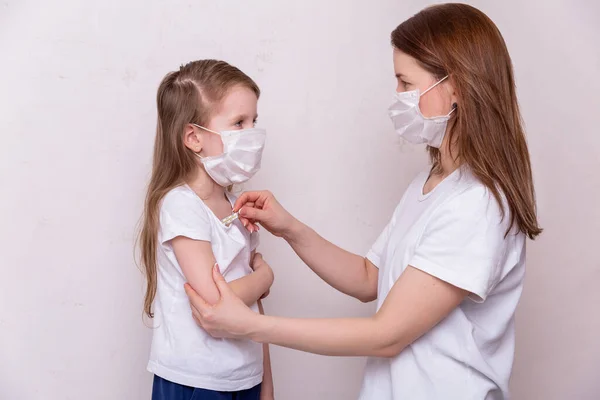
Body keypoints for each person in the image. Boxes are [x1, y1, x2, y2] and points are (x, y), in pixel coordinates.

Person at [185, 3, 543, 399]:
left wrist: (249, 326)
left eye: (406, 82)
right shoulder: (432, 182)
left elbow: (386, 335)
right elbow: (369, 278)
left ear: (454, 86)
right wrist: (290, 228)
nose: (398, 95)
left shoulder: (477, 204)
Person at [138, 59, 275, 400]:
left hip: (244, 377)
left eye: (254, 120)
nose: (252, 134)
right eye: (238, 123)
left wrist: (266, 384)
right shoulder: (181, 206)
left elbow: (254, 313)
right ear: (194, 137)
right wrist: (264, 278)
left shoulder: (234, 206)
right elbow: (213, 302)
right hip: (196, 381)